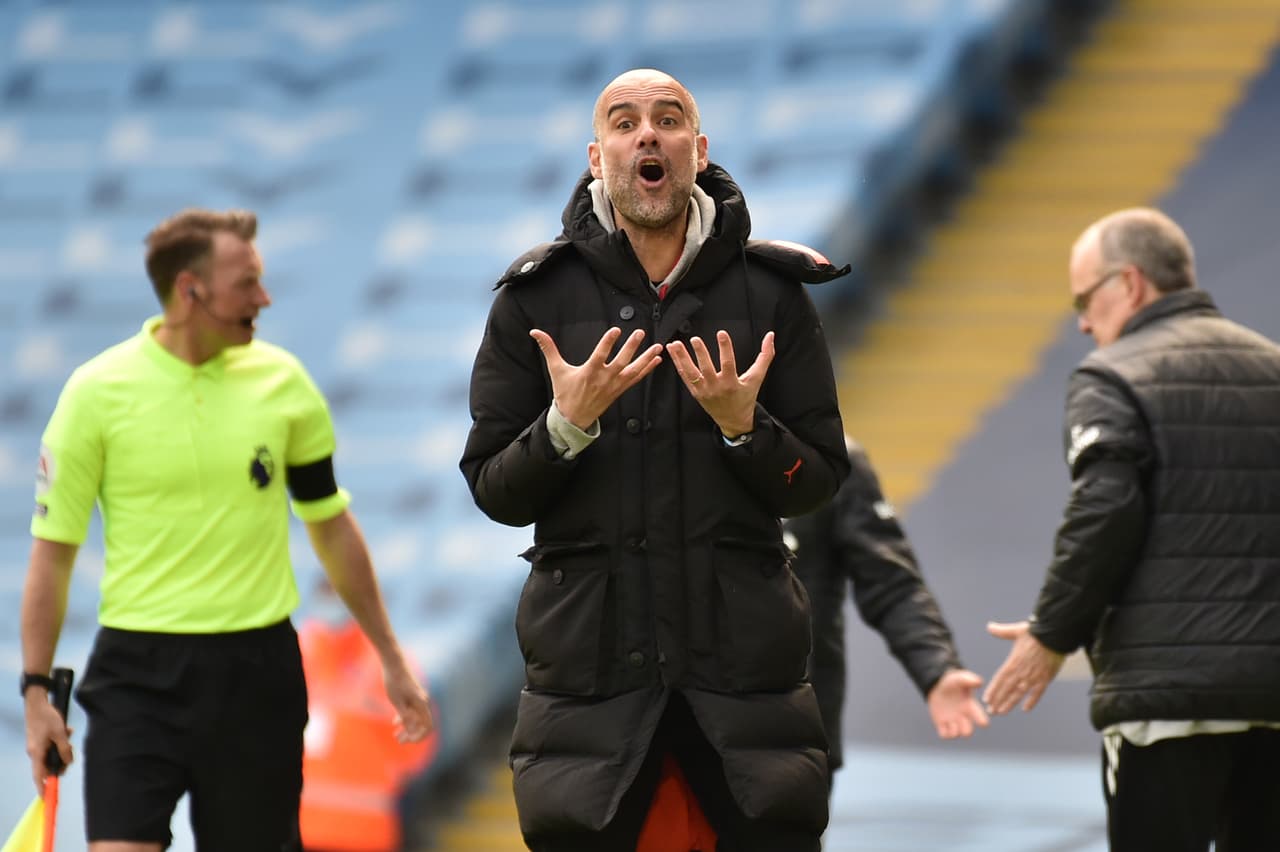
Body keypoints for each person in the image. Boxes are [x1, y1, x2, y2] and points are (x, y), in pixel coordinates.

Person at [459, 68, 852, 851]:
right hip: (592, 692)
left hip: (744, 691)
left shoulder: (774, 294)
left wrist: (747, 429)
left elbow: (816, 482)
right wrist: (565, 426)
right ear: (597, 157)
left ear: (697, 152)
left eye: (668, 120)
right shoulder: (532, 299)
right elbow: (495, 489)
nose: (647, 134)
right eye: (625, 121)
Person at [20, 208, 434, 852]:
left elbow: (331, 525)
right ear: (191, 290)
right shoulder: (94, 394)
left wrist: (389, 655)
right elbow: (52, 555)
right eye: (247, 283)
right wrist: (36, 691)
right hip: (137, 676)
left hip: (256, 675)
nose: (264, 298)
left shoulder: (284, 385)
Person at [983, 207, 1280, 851]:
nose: (1085, 321)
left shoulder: (1114, 374)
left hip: (1165, 706)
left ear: (1132, 284)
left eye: (1085, 299)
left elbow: (1106, 509)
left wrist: (1051, 635)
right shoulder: (1274, 366)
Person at [785, 436, 987, 791]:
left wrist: (936, 667)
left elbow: (891, 582)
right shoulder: (666, 457)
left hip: (792, 736)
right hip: (675, 725)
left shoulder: (832, 458)